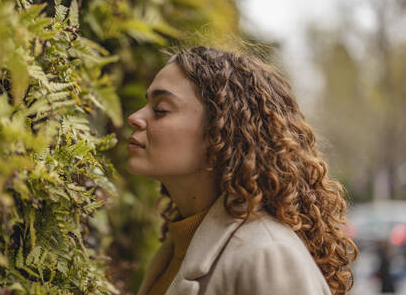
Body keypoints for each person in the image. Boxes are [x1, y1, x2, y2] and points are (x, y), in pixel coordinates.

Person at [126, 46, 358, 295]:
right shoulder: (176, 248)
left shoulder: (267, 254)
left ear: (219, 134)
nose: (135, 117)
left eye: (160, 109)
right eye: (146, 104)